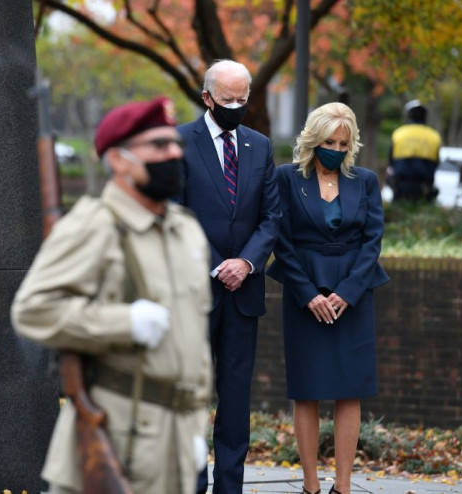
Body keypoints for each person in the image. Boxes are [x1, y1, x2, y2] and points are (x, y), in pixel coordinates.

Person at [11, 96, 213, 494]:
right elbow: (33, 310)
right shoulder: (95, 225)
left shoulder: (185, 229)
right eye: (158, 145)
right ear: (120, 160)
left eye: (176, 144)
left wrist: (193, 428)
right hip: (120, 436)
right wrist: (124, 323)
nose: (174, 153)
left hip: (176, 441)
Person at [266, 102, 390, 494]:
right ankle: (311, 485)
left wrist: (348, 293)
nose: (336, 149)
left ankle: (344, 487)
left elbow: (372, 242)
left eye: (343, 142)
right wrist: (308, 295)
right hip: (305, 292)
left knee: (350, 389)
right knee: (308, 388)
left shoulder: (365, 180)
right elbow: (281, 241)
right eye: (329, 141)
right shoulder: (287, 178)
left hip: (353, 294)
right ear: (312, 140)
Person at [177, 59, 281, 494]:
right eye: (228, 100)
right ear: (207, 98)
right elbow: (174, 214)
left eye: (243, 99)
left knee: (236, 400)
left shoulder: (260, 146)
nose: (236, 106)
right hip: (195, 291)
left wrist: (247, 263)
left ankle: (230, 487)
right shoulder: (180, 141)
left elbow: (271, 217)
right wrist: (217, 263)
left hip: (244, 293)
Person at [387, 99, 442, 202]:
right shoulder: (434, 136)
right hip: (424, 187)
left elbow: (391, 161)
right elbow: (436, 162)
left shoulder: (399, 134)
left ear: (408, 115)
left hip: (401, 186)